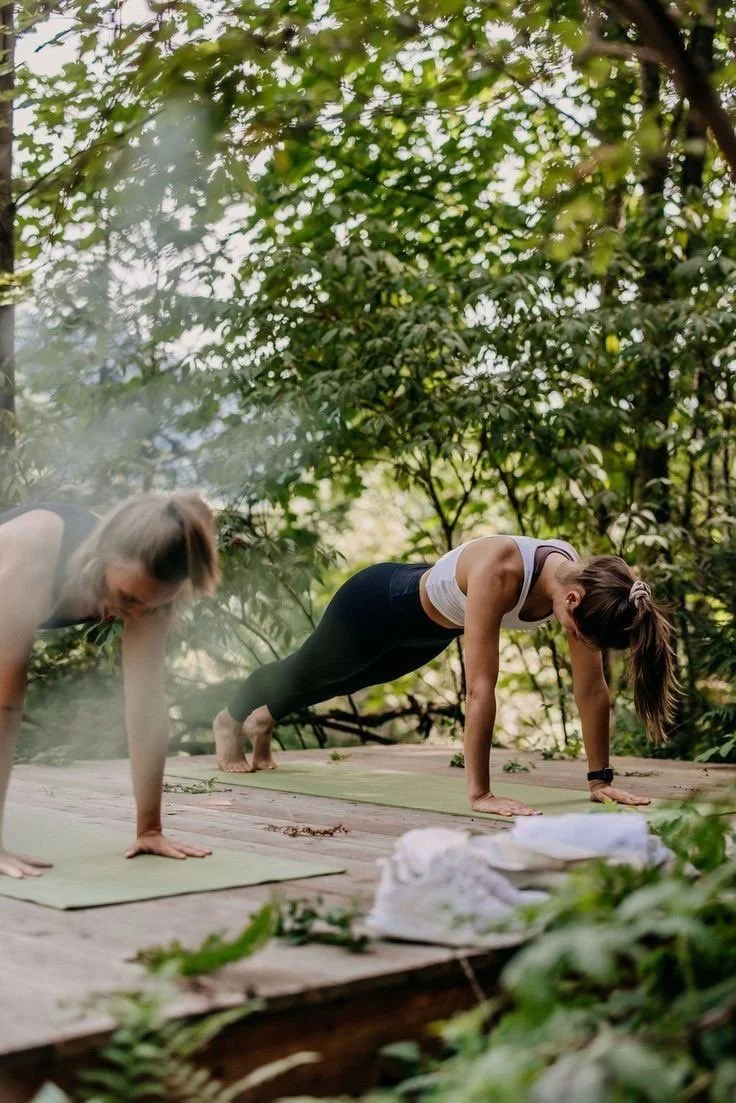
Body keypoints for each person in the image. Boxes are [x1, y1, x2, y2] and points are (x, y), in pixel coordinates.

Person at [213, 535, 677, 816]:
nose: (576, 639)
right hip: (375, 605)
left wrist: (600, 781)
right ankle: (231, 718)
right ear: (572, 603)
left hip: (427, 632)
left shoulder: (587, 583)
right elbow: (479, 691)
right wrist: (481, 794)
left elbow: (592, 690)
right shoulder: (501, 570)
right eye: (580, 633)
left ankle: (265, 718)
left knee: (341, 683)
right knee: (308, 670)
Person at [0, 493, 220, 879]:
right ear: (99, 559)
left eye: (148, 606)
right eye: (127, 598)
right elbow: (5, 706)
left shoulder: (149, 593)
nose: (134, 614)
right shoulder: (29, 554)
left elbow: (146, 706)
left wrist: (149, 828)